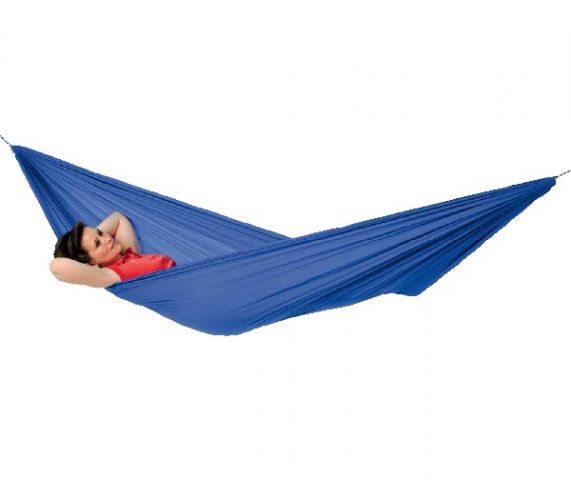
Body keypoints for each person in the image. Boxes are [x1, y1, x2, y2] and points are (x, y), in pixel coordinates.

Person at [49, 211, 176, 288]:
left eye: (101, 233)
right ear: (90, 263)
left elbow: (118, 218)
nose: (107, 239)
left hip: (184, 278)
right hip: (181, 288)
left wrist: (91, 237)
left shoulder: (129, 253)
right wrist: (85, 259)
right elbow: (58, 266)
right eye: (97, 244)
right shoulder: (112, 275)